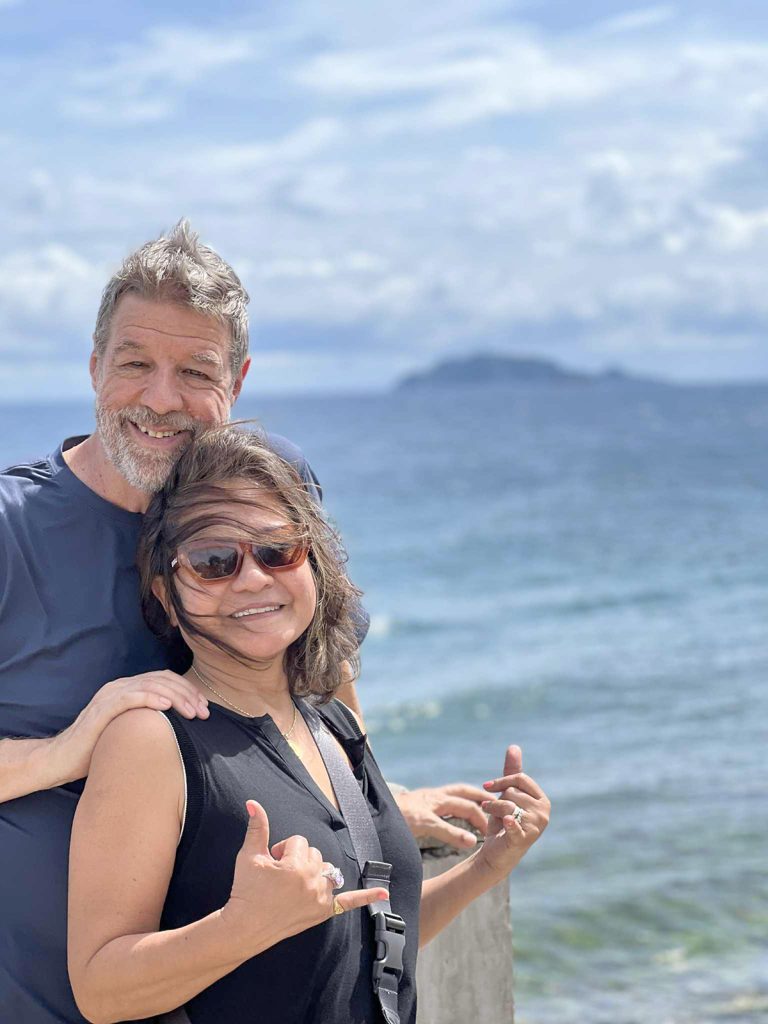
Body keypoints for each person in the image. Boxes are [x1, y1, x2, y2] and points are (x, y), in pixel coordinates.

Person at [0, 221, 490, 1022]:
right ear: (93, 369)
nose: (162, 398)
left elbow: (324, 668)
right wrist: (65, 750)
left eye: (195, 371)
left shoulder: (263, 483)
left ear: (239, 380)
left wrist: (371, 802)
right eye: (135, 364)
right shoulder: (11, 527)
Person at [67, 426, 551, 1024]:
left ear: (313, 566)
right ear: (166, 594)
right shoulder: (154, 739)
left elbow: (370, 940)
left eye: (278, 551)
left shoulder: (332, 724)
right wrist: (242, 927)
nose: (252, 578)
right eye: (213, 561)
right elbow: (99, 987)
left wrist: (487, 867)